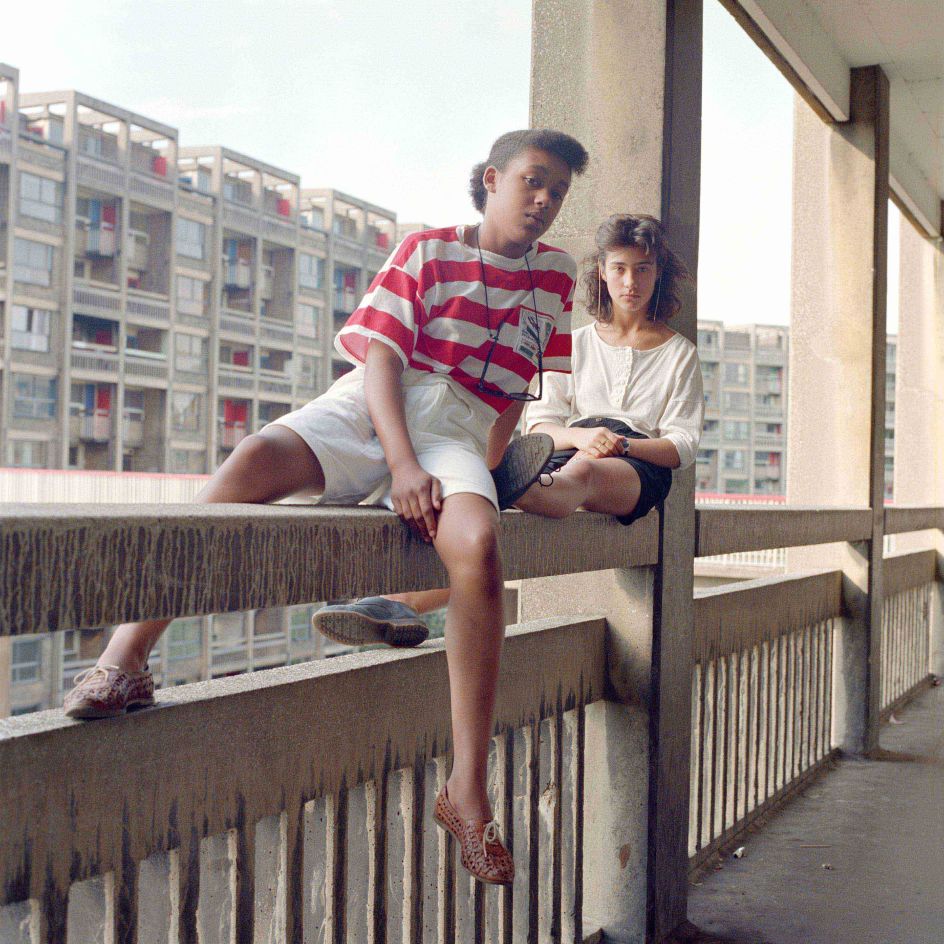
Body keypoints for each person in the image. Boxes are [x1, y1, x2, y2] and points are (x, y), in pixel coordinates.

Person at [63, 128, 589, 887]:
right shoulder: (427, 248)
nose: (544, 201)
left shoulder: (556, 277)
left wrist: (490, 468)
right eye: (533, 181)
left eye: (558, 191)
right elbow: (380, 358)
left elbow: (513, 391)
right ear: (492, 178)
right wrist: (401, 463)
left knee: (478, 548)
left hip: (461, 426)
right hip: (380, 403)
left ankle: (467, 790)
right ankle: (127, 655)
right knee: (252, 461)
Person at [318, 212, 703, 639]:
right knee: (486, 530)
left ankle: (521, 488)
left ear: (658, 275)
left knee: (582, 473)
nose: (631, 281)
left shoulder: (679, 353)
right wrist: (582, 436)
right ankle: (398, 606)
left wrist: (622, 446)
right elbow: (542, 422)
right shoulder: (572, 344)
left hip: (636, 464)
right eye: (620, 268)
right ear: (603, 274)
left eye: (643, 269)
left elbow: (683, 444)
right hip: (564, 447)